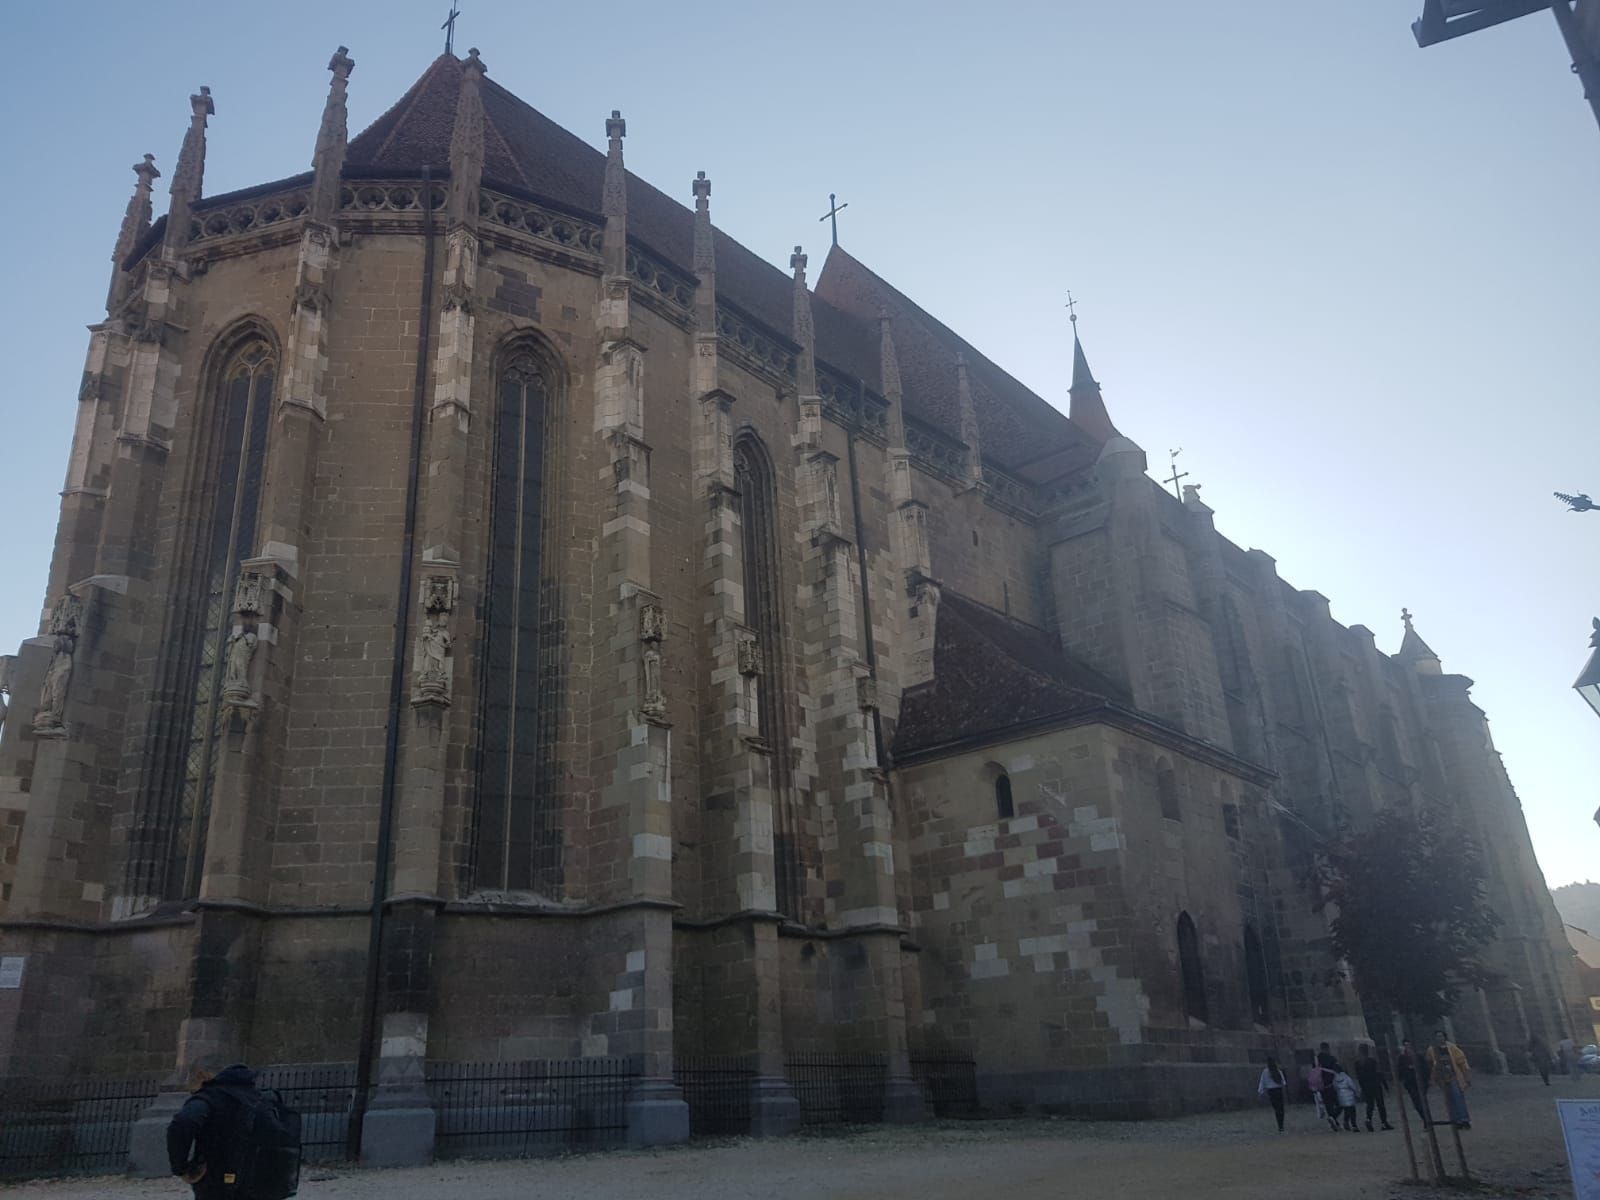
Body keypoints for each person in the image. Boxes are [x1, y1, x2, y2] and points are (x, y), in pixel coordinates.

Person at [166, 1060, 262, 1198]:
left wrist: (181, 1168)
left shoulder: (209, 1096)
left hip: (217, 1178)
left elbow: (182, 1123)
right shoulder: (256, 1096)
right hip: (256, 1178)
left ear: (202, 1075)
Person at [1426, 1030, 1471, 1130]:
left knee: (1458, 1097)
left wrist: (1466, 1076)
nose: (1439, 1038)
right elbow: (1430, 1062)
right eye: (1437, 1036)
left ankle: (1464, 1119)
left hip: (1454, 1076)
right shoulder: (1432, 1050)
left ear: (1444, 1037)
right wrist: (1433, 1077)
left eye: (1441, 1036)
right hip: (1442, 1078)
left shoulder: (1453, 1048)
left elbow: (1462, 1063)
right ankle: (1456, 1120)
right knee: (1449, 1100)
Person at [1354, 1044, 1393, 1131]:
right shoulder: (1372, 1061)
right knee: (1380, 1105)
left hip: (1366, 1087)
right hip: (1375, 1085)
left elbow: (1359, 1077)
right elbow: (1379, 1074)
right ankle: (1384, 1123)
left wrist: (1362, 1088)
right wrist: (1385, 1086)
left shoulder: (1357, 1064)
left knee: (1370, 1105)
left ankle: (1368, 1119)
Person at [1258, 1056, 1290, 1132]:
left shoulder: (1265, 1072)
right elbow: (1283, 1082)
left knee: (1276, 1109)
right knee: (1281, 1108)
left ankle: (1280, 1125)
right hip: (1278, 1090)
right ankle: (1281, 1125)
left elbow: (1262, 1082)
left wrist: (1260, 1092)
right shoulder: (1278, 1071)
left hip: (1271, 1091)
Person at [1306, 1062, 1339, 1131]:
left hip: (1321, 1090)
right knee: (1338, 1104)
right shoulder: (1327, 1070)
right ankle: (1333, 1118)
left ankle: (1333, 1119)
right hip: (1329, 1089)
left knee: (1328, 1106)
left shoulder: (1314, 1071)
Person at [1332, 1067, 1361, 1131]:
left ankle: (1336, 1118)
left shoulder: (1335, 1079)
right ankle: (1353, 1125)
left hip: (1340, 1096)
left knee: (1345, 1109)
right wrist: (1357, 1093)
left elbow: (1335, 1087)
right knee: (1352, 1110)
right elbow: (1352, 1086)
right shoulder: (1347, 1078)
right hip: (1349, 1096)